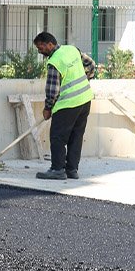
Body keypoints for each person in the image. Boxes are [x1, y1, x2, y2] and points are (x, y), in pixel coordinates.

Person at [32, 32, 96, 180]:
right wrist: (86, 80)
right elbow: (91, 64)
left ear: (50, 44)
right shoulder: (72, 49)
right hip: (85, 100)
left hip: (68, 104)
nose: (39, 50)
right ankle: (72, 170)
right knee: (76, 136)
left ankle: (57, 169)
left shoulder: (55, 62)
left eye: (40, 47)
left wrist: (48, 108)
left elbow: (52, 91)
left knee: (58, 137)